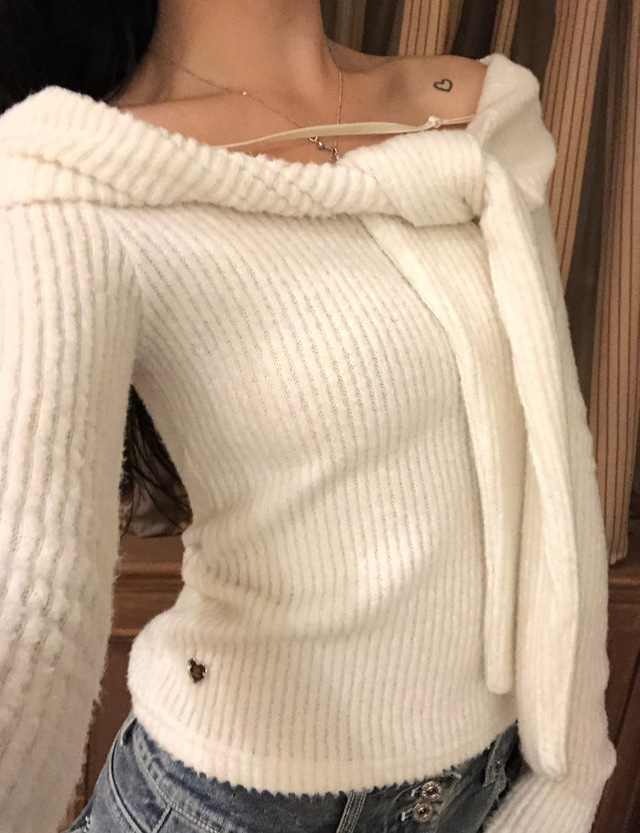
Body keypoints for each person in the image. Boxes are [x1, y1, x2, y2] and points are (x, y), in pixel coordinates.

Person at [0, 1, 617, 832]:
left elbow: (557, 455)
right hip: (230, 803)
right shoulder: (69, 180)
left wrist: (569, 772)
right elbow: (28, 613)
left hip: (482, 782)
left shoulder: (483, 114)